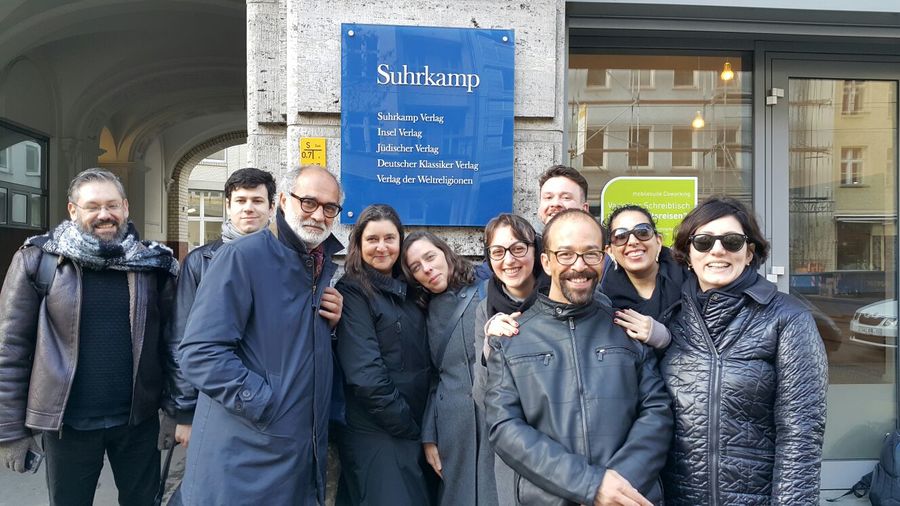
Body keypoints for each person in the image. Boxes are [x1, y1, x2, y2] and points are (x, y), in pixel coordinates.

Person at [0, 168, 179, 506]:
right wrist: (10, 430)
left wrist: (175, 409)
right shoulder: (38, 260)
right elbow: (9, 349)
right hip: (68, 425)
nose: (104, 215)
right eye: (92, 206)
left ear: (125, 208)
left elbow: (173, 343)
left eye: (112, 205)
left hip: (137, 423)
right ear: (73, 211)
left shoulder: (156, 265)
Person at [177, 165, 345, 506]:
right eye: (309, 202)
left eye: (330, 208)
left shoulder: (317, 266)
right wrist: (266, 403)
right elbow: (200, 353)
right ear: (283, 201)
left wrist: (335, 324)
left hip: (295, 454)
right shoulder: (243, 256)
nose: (318, 215)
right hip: (245, 454)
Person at [485, 209, 672, 506]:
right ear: (546, 262)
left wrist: (615, 487)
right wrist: (589, 485)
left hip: (630, 497)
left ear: (604, 258)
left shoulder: (626, 328)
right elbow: (504, 427)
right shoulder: (511, 339)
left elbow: (657, 412)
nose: (579, 266)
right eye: (566, 255)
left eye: (591, 254)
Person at [661, 196, 828, 505]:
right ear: (688, 254)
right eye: (703, 241)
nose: (717, 250)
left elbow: (802, 431)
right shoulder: (673, 320)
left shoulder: (787, 317)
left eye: (732, 241)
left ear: (750, 252)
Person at [334, 204, 433, 506]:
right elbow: (365, 374)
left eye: (389, 238)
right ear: (358, 245)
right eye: (372, 239)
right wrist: (408, 425)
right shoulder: (353, 292)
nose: (381, 247)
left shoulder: (410, 290)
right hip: (378, 431)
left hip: (411, 428)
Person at [171, 167, 277, 448]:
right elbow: (181, 338)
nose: (249, 208)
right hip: (215, 396)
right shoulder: (199, 262)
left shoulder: (286, 260)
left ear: (272, 207)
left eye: (257, 201)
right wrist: (185, 411)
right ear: (228, 206)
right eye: (241, 201)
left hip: (269, 400)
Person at [401, 231, 498, 506]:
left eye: (430, 257)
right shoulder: (423, 311)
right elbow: (434, 377)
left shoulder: (490, 289)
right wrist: (429, 436)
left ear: (446, 252)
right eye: (416, 267)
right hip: (453, 428)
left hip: (496, 420)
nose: (426, 269)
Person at [600, 204, 687, 348]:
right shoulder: (604, 301)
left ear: (658, 241)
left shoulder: (692, 282)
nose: (633, 241)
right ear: (610, 251)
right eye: (621, 236)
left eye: (643, 232)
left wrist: (664, 338)